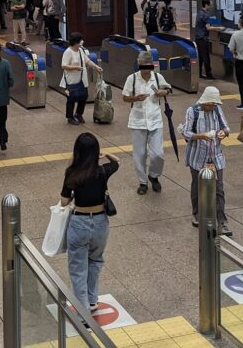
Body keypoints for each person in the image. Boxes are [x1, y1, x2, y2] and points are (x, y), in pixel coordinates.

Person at [59, 133, 120, 314]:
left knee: (78, 268)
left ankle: (83, 308)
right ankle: (92, 300)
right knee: (95, 261)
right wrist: (106, 155)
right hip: (100, 222)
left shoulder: (72, 173)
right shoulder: (102, 171)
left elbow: (64, 201)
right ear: (96, 152)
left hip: (79, 223)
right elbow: (117, 162)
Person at [182, 86, 232, 235]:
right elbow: (186, 132)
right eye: (210, 104)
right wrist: (200, 135)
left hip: (215, 155)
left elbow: (226, 127)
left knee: (219, 189)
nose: (212, 107)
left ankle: (222, 222)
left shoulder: (217, 109)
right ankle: (197, 214)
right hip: (198, 156)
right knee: (197, 185)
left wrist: (223, 133)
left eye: (214, 104)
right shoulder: (193, 111)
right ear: (204, 101)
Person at [122, 50, 171, 195]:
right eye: (143, 66)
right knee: (140, 154)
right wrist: (135, 98)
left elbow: (168, 88)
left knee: (158, 154)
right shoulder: (132, 79)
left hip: (155, 120)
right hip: (138, 121)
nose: (146, 70)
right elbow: (124, 97)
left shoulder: (157, 77)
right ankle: (142, 182)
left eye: (148, 66)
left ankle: (154, 175)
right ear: (139, 64)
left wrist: (164, 92)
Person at [61, 32, 102, 125]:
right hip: (71, 80)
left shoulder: (80, 50)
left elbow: (87, 61)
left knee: (83, 96)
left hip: (82, 79)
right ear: (76, 42)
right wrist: (75, 68)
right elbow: (63, 65)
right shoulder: (68, 52)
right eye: (80, 40)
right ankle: (70, 117)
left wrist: (96, 67)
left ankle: (78, 114)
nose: (82, 41)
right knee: (72, 98)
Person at [195, 0, 215, 80]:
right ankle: (208, 74)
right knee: (206, 57)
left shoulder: (200, 12)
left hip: (198, 38)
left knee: (200, 57)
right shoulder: (205, 15)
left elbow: (206, 21)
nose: (211, 6)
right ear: (206, 5)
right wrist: (219, 28)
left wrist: (218, 22)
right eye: (210, 5)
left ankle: (199, 73)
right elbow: (208, 27)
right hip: (203, 38)